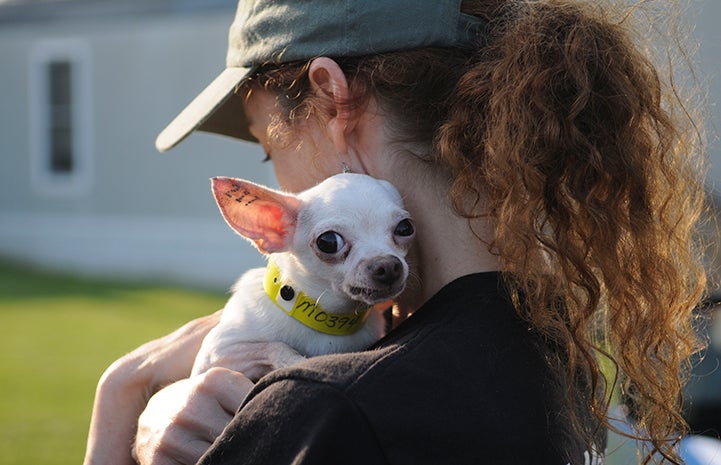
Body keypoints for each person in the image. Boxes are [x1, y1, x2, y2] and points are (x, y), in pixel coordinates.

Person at [83, 1, 709, 464]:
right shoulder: (557, 356)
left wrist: (121, 402)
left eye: (264, 145)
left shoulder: (328, 414)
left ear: (333, 102)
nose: (276, 176)